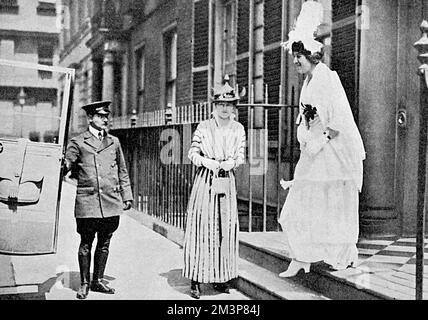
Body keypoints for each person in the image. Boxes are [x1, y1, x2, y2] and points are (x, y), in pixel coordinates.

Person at [278, 0, 366, 277]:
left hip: (333, 154)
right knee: (302, 204)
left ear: (311, 56)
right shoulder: (308, 82)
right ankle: (301, 256)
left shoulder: (327, 78)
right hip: (314, 152)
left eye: (299, 58)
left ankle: (340, 256)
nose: (295, 62)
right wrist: (307, 137)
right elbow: (307, 118)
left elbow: (338, 121)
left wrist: (319, 140)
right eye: (293, 58)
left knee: (333, 206)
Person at [182, 77, 246, 299]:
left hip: (226, 182)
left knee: (225, 228)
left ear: (234, 107)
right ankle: (196, 279)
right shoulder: (204, 126)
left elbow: (240, 155)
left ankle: (221, 277)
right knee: (202, 227)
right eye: (221, 105)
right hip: (205, 181)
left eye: (229, 105)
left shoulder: (238, 129)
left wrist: (232, 163)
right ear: (214, 106)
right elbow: (192, 153)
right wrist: (207, 162)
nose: (225, 109)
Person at [63, 100, 133, 299]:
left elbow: (122, 170)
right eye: (101, 116)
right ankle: (84, 283)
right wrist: (64, 164)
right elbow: (69, 162)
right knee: (86, 242)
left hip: (110, 200)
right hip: (88, 201)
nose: (105, 119)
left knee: (104, 242)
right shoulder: (78, 142)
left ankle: (98, 280)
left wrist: (126, 195)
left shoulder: (114, 141)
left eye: (107, 116)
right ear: (90, 118)